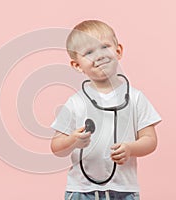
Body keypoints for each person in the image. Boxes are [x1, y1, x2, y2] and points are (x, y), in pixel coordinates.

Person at [50, 20, 161, 200]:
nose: (99, 55)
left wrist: (130, 148)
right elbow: (56, 147)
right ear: (77, 65)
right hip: (81, 191)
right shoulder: (75, 103)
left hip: (124, 191)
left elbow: (150, 140)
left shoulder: (136, 98)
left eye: (104, 47)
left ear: (118, 51)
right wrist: (72, 141)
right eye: (89, 52)